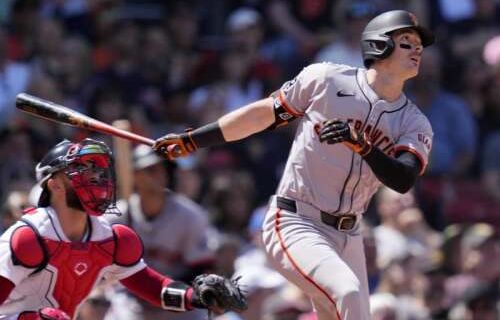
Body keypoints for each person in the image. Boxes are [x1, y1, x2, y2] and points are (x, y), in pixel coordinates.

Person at [153, 10, 435, 320]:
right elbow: (262, 115)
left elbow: (403, 178)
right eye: (407, 41)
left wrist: (363, 146)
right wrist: (193, 140)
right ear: (379, 45)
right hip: (296, 219)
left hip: (349, 233)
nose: (418, 49)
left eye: (420, 43)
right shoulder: (325, 79)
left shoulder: (414, 122)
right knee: (348, 292)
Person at [0, 138, 246, 320]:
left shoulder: (111, 238)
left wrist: (196, 297)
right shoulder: (28, 238)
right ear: (54, 185)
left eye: (97, 170)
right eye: (83, 170)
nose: (96, 177)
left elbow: (155, 289)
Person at [105, 144, 216, 320]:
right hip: (130, 298)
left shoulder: (190, 216)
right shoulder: (116, 217)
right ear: (134, 175)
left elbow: (202, 269)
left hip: (178, 298)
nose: (160, 175)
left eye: (163, 169)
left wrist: (166, 291)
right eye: (151, 169)